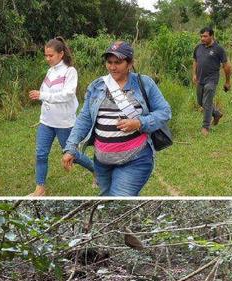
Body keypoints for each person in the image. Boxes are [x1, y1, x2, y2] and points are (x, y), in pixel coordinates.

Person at [62, 41, 171, 196]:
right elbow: (84, 118)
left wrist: (139, 123)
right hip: (102, 162)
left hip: (136, 158)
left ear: (130, 63)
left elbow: (165, 112)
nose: (112, 67)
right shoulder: (97, 86)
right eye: (109, 62)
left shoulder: (144, 84)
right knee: (107, 200)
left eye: (118, 62)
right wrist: (71, 148)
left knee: (120, 198)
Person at [27, 37, 94, 196]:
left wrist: (42, 95)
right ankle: (40, 188)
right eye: (46, 55)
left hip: (64, 123)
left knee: (73, 155)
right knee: (41, 153)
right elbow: (47, 93)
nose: (47, 59)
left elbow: (68, 95)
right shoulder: (50, 71)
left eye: (50, 55)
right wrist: (41, 96)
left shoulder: (70, 71)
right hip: (46, 121)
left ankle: (97, 171)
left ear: (61, 54)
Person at [193, 27, 232, 136]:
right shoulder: (198, 48)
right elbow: (195, 61)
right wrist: (194, 74)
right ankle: (216, 113)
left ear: (211, 36)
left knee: (207, 102)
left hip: (212, 80)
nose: (202, 38)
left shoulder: (218, 49)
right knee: (200, 102)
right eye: (201, 36)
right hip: (200, 79)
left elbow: (226, 66)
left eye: (205, 36)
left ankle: (206, 127)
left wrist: (227, 81)